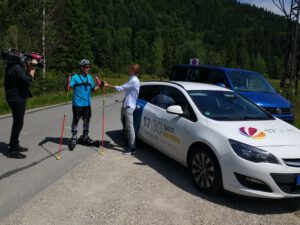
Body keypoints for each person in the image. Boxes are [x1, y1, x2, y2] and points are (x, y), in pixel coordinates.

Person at [4, 57, 37, 159]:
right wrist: (32, 69)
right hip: (16, 99)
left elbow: (21, 79)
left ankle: (15, 144)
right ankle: (12, 150)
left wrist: (29, 68)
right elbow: (27, 80)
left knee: (19, 123)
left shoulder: (13, 67)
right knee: (18, 123)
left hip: (17, 98)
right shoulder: (16, 68)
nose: (24, 60)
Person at [105, 64, 140, 155]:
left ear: (133, 71)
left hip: (129, 107)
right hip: (127, 105)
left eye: (130, 69)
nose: (128, 70)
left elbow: (121, 88)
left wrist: (108, 85)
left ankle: (132, 148)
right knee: (127, 127)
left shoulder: (134, 80)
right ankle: (129, 145)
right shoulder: (132, 79)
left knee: (130, 127)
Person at [68, 59, 100, 150]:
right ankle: (74, 137)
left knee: (87, 120)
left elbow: (93, 89)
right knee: (76, 119)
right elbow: (68, 88)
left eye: (89, 67)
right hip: (77, 103)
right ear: (81, 68)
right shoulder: (75, 77)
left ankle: (85, 136)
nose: (88, 69)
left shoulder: (90, 78)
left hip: (87, 103)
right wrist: (68, 81)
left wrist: (100, 86)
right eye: (86, 67)